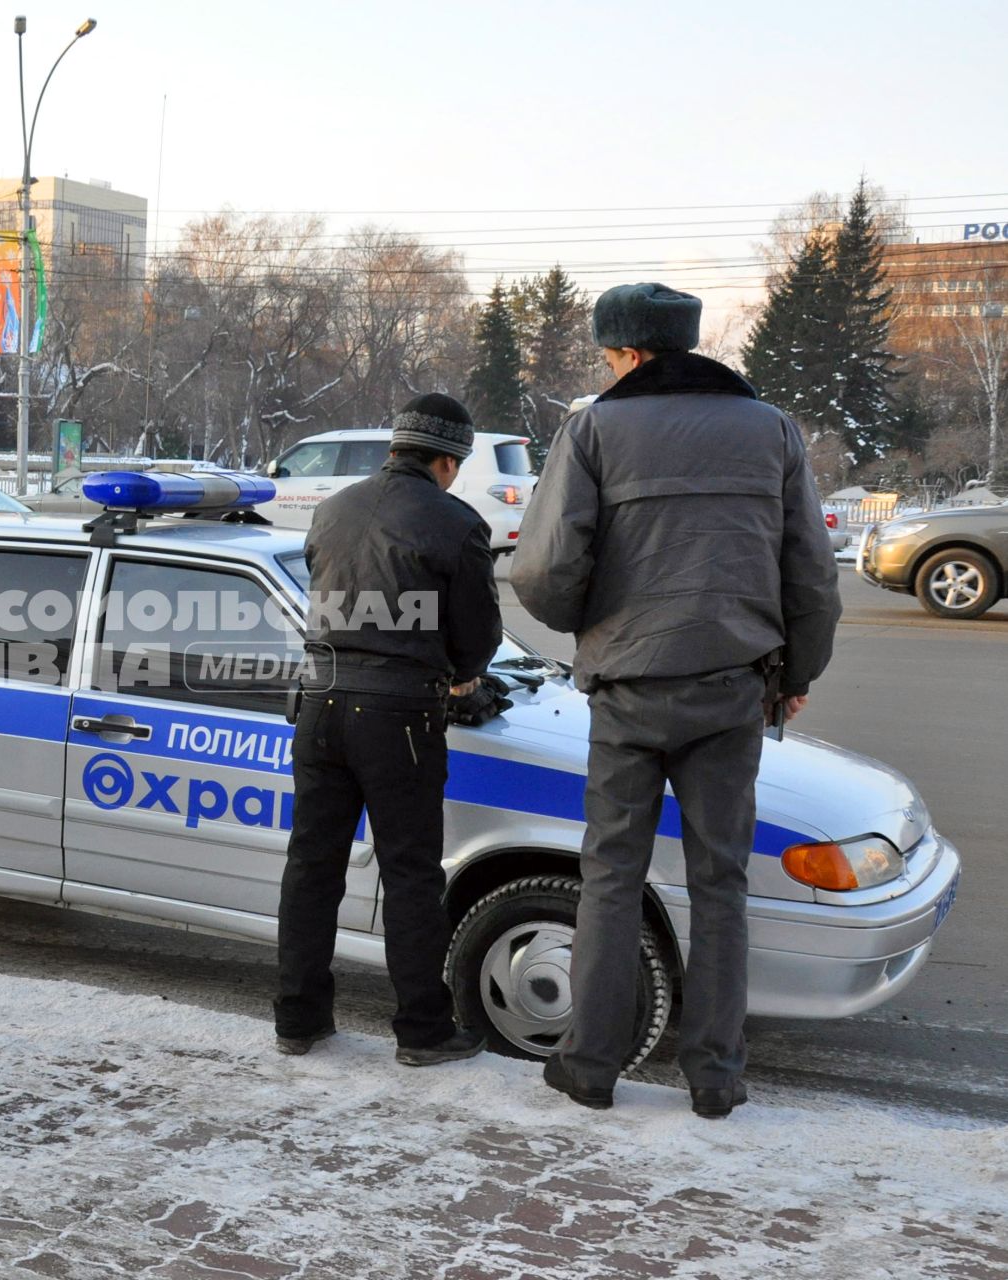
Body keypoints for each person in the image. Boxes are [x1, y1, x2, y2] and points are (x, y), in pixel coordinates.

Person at [512, 283, 841, 1119]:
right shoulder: (770, 431)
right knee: (720, 883)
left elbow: (544, 571)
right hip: (733, 689)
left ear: (624, 353)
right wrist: (794, 673)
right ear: (688, 346)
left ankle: (590, 1065)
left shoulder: (592, 429)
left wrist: (595, 629)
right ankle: (716, 1076)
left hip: (627, 691)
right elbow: (810, 571)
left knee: (611, 877)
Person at [275, 393, 502, 1066]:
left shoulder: (331, 508)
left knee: (311, 867)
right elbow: (478, 638)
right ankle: (423, 1031)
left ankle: (299, 1020)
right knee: (408, 875)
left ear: (393, 447)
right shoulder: (454, 523)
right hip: (398, 718)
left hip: (319, 707)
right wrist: (461, 676)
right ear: (448, 461)